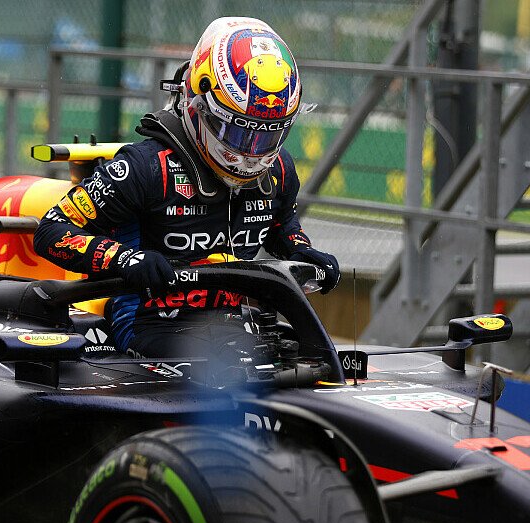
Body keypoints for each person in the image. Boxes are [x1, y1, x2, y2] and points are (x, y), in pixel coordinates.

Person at [34, 17, 340, 384]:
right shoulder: (144, 168)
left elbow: (281, 226)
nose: (250, 153)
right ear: (200, 107)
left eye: (265, 137)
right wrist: (126, 259)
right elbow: (51, 231)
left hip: (232, 327)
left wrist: (301, 250)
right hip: (149, 324)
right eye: (238, 131)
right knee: (230, 382)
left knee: (318, 366)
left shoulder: (279, 172)